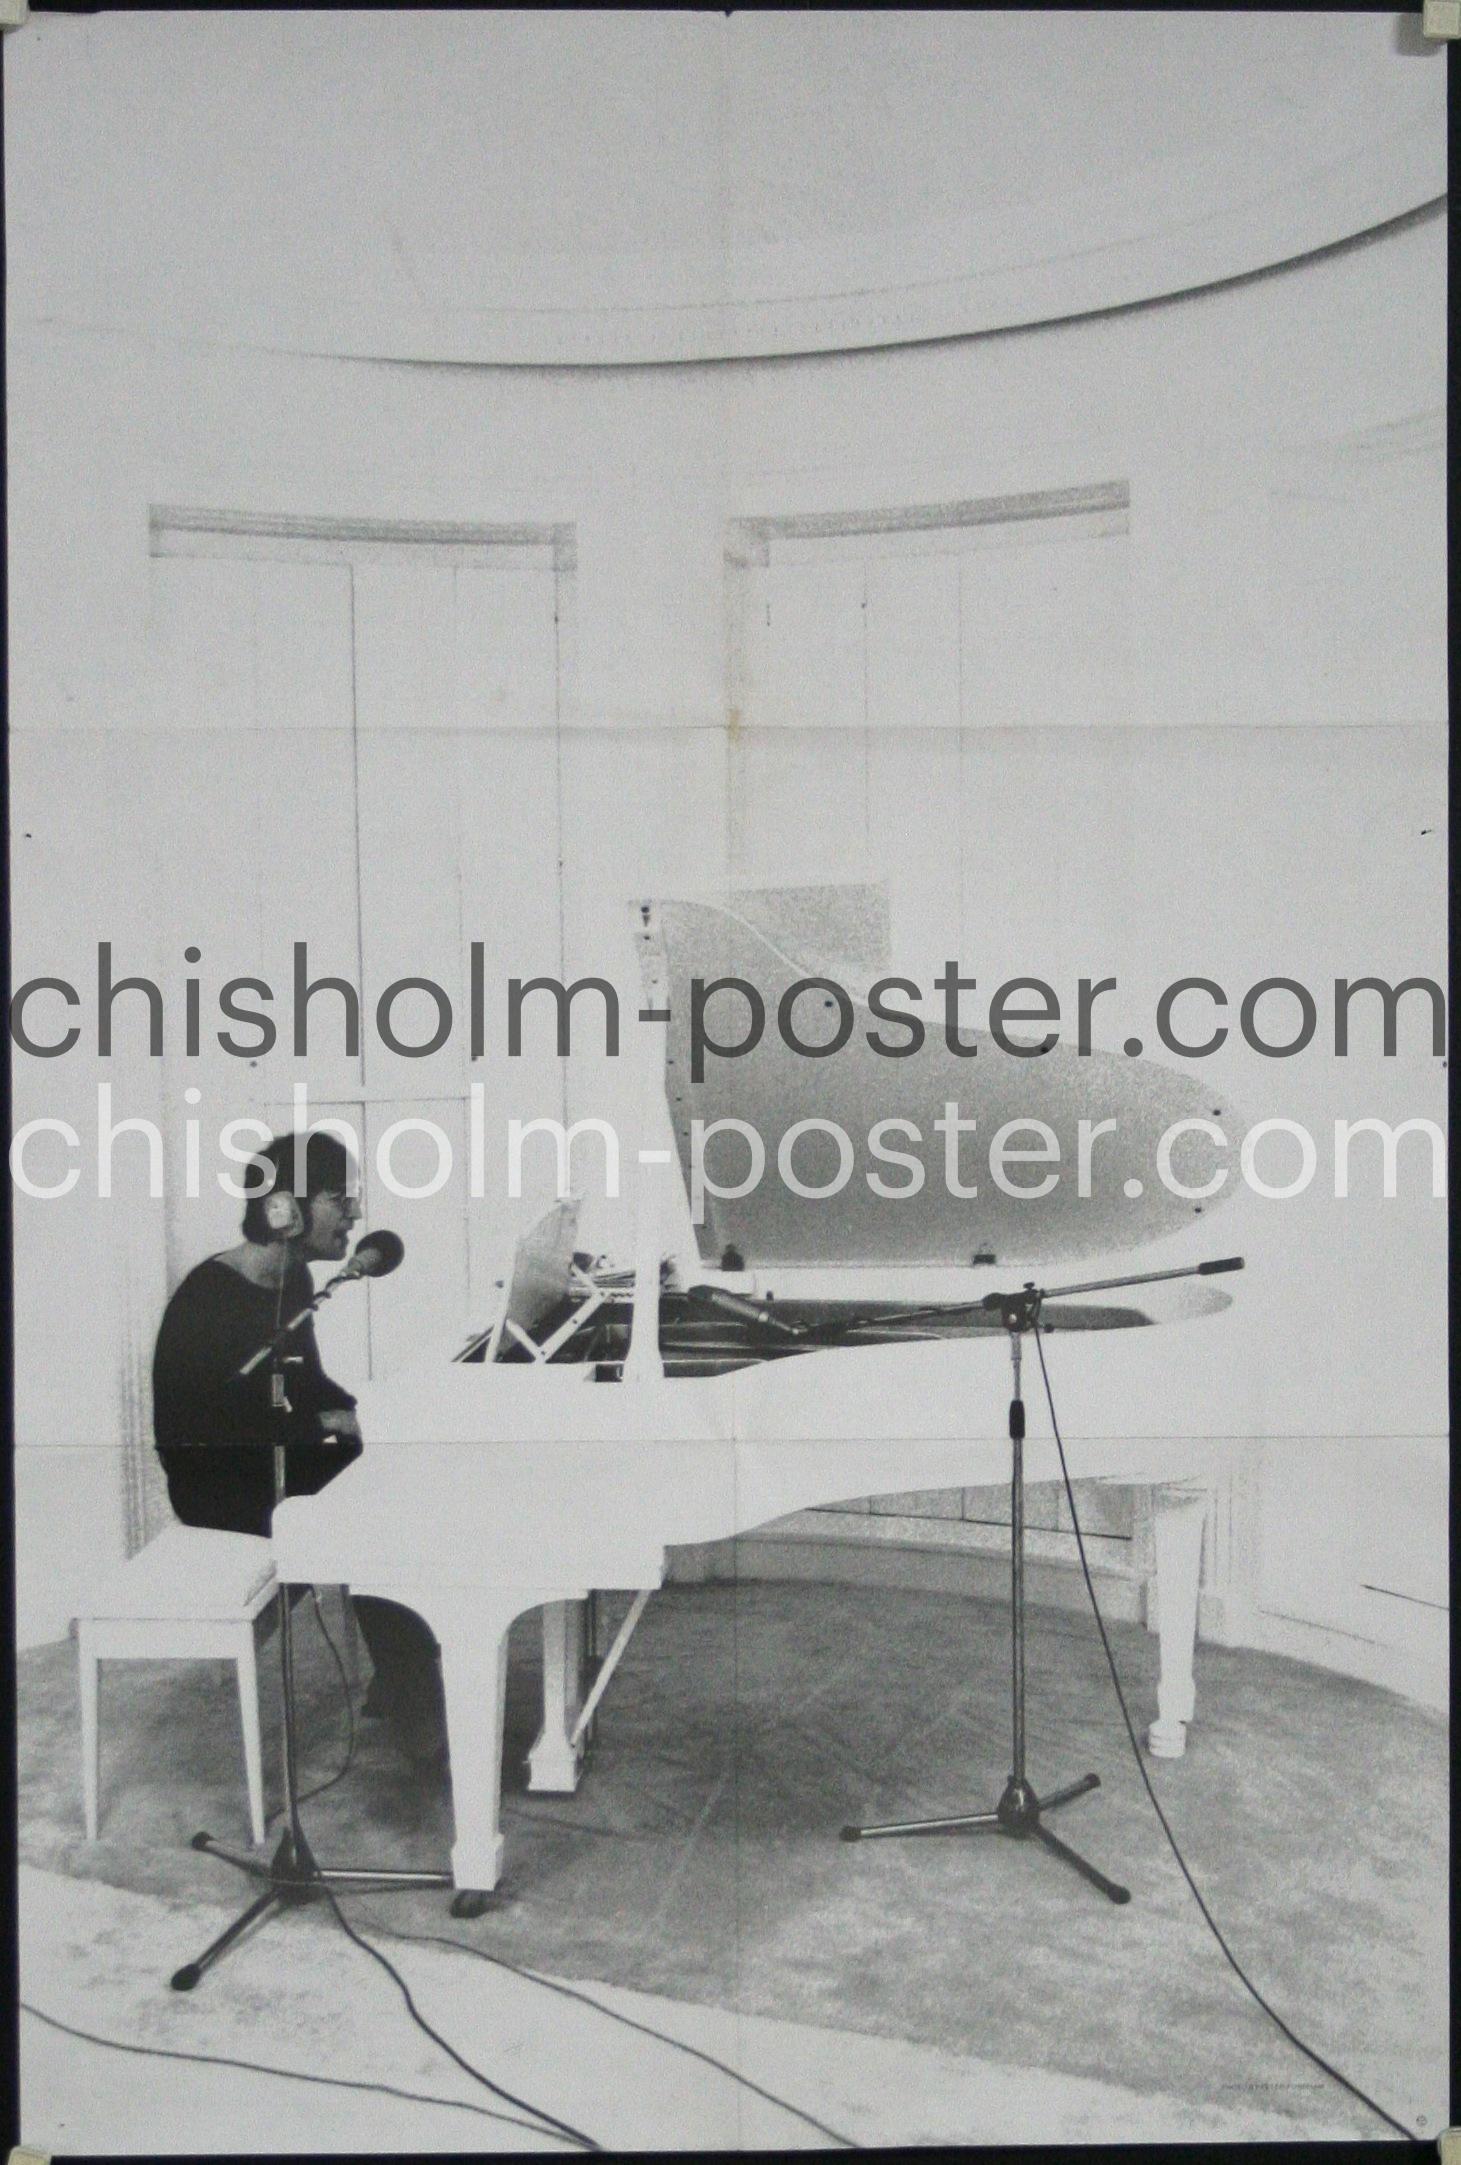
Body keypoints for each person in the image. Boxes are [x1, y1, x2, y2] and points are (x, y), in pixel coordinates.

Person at [152, 1131, 446, 1766]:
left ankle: (410, 1683)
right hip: (219, 1483)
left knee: (396, 1471)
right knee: (370, 1501)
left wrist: (384, 1415)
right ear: (283, 1209)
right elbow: (211, 1431)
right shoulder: (210, 1297)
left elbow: (307, 1385)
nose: (356, 1215)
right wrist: (331, 1426)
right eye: (341, 1199)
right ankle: (424, 1721)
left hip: (272, 1458)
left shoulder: (291, 1283)